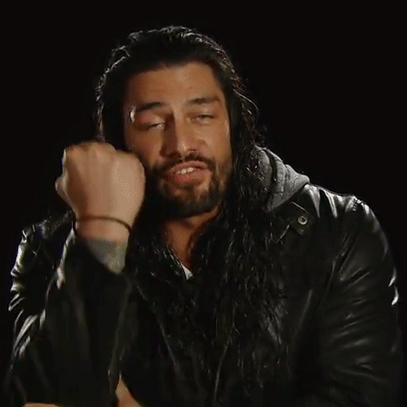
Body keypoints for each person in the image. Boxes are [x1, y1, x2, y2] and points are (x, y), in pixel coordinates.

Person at [5, 26, 403, 407]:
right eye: (153, 123)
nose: (180, 144)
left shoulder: (338, 233)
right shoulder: (51, 251)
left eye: (202, 117)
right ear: (117, 139)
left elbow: (359, 398)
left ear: (233, 123)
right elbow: (44, 398)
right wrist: (100, 232)